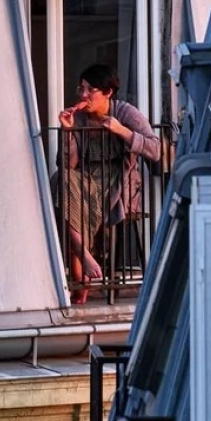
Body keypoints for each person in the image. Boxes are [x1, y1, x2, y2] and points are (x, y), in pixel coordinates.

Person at [55, 64, 161, 304]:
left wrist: (121, 130)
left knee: (67, 194)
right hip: (83, 182)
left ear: (108, 92)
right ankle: (85, 259)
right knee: (61, 181)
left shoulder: (125, 113)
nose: (83, 95)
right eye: (81, 88)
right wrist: (68, 132)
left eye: (90, 90)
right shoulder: (80, 118)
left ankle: (81, 281)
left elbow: (155, 150)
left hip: (117, 184)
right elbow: (67, 165)